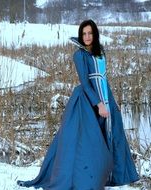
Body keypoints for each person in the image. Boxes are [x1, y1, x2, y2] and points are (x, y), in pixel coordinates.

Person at [17, 19, 139, 189]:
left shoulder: (100, 52)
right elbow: (86, 83)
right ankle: (87, 178)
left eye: (90, 33)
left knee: (112, 134)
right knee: (88, 141)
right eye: (84, 34)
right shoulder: (79, 55)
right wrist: (99, 104)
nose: (87, 36)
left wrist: (112, 101)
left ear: (95, 34)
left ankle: (111, 176)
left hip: (106, 99)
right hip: (88, 102)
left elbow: (104, 79)